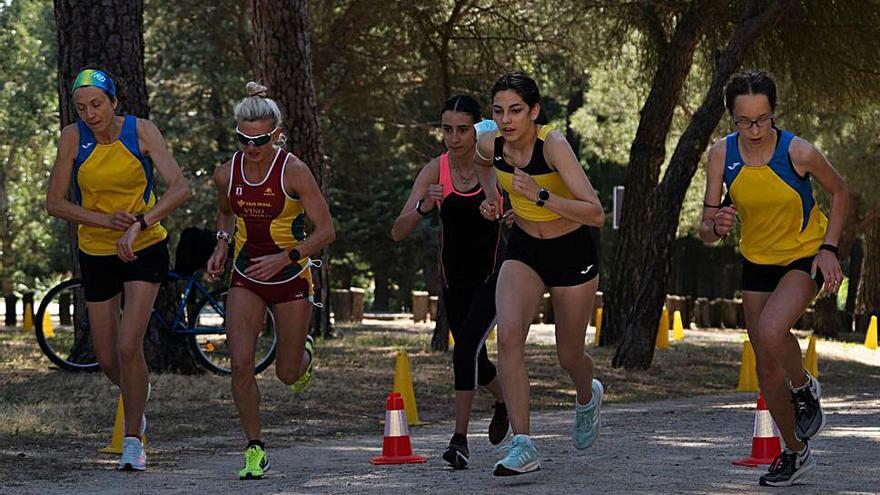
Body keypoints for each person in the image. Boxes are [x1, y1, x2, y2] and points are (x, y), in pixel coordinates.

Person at [700, 70, 847, 487]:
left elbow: (840, 191)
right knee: (765, 369)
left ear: (773, 114)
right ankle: (796, 453)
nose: (754, 130)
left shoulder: (799, 152)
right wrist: (718, 225)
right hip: (757, 262)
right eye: (744, 121)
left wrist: (830, 248)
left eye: (762, 119)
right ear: (732, 119)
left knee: (770, 329)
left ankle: (803, 386)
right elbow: (706, 230)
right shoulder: (720, 155)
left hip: (804, 257)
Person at [46, 68, 191, 471]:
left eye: (97, 104)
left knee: (130, 346)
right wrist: (102, 221)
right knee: (109, 359)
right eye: (81, 107)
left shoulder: (142, 132)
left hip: (145, 247)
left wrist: (140, 223)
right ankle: (137, 398)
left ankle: (132, 441)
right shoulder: (73, 139)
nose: (90, 113)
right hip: (96, 252)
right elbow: (55, 203)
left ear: (114, 102)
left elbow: (180, 187)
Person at [474, 72, 605, 476]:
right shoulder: (489, 141)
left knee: (569, 355)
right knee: (509, 336)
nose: (507, 120)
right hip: (525, 248)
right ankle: (523, 444)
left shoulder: (554, 146)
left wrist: (540, 195)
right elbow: (480, 163)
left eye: (516, 110)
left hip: (571, 250)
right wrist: (493, 198)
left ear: (534, 111)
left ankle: (588, 394)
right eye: (498, 111)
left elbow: (596, 213)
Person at [206, 82, 335, 480]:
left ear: (276, 134)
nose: (251, 147)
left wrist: (286, 257)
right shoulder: (226, 173)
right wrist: (222, 247)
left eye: (259, 139)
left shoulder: (294, 170)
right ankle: (255, 448)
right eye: (244, 139)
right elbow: (227, 214)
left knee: (288, 374)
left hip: (292, 274)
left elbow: (326, 230)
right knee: (241, 364)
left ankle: (304, 356)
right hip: (246, 276)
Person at [391, 95, 509, 469]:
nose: (454, 138)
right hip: (453, 282)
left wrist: (500, 212)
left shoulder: (493, 167)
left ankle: (459, 440)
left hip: (493, 278)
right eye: (447, 129)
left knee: (464, 351)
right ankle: (505, 400)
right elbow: (397, 231)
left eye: (462, 130)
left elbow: (516, 216)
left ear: (476, 131)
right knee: (478, 361)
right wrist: (424, 206)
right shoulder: (434, 170)